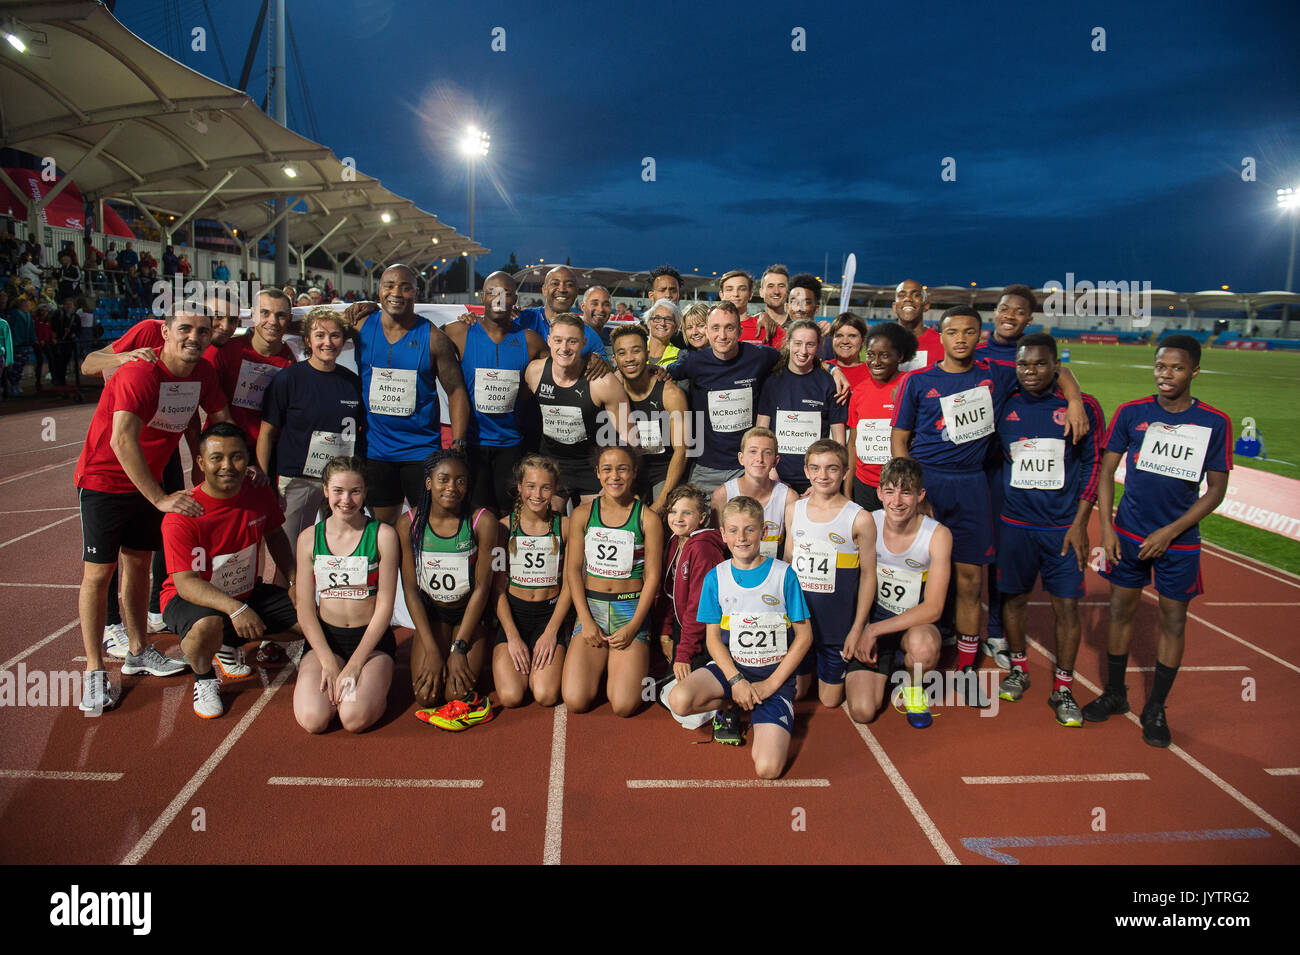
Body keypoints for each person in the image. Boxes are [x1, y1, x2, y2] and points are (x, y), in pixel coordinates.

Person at [892, 306, 1084, 688]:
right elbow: (899, 441)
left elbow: (1051, 369)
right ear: (940, 336)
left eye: (969, 332)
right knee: (912, 573)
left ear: (980, 337)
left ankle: (965, 662)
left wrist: (1074, 398)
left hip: (971, 486)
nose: (960, 339)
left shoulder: (996, 375)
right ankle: (905, 649)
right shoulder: (917, 382)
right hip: (928, 484)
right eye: (952, 332)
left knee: (969, 581)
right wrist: (914, 492)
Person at [73, 308, 234, 713]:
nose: (194, 337)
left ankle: (139, 650)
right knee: (98, 574)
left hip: (147, 483)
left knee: (140, 565)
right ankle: (95, 672)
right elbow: (121, 441)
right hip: (104, 481)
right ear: (164, 332)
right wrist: (160, 497)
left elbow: (216, 419)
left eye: (202, 330)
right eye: (185, 329)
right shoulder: (139, 372)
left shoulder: (203, 374)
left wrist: (230, 463)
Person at [1084, 335, 1232, 747]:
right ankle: (1115, 694)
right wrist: (1108, 527)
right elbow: (1107, 470)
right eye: (1160, 366)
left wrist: (1170, 532)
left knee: (1173, 620)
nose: (1166, 375)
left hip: (1178, 542)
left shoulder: (1215, 422)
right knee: (1119, 612)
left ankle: (1156, 708)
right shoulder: (1132, 413)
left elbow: (1215, 491)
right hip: (1128, 534)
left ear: (1195, 371)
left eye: (1177, 368)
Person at [994, 334, 1105, 727]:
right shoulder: (1005, 401)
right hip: (1014, 524)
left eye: (1040, 364)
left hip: (1062, 528)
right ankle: (1019, 668)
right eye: (1024, 364)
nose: (1031, 371)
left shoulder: (1083, 406)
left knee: (1066, 607)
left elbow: (1093, 465)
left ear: (1056, 365)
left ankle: (1063, 687)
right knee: (1014, 600)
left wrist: (1080, 524)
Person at [160, 423, 301, 719]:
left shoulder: (258, 492)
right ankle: (205, 678)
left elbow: (275, 534)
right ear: (200, 463)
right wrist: (236, 610)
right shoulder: (183, 514)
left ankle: (229, 642)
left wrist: (293, 579)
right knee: (206, 626)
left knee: (315, 616)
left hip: (246, 592)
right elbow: (185, 584)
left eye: (236, 457)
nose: (227, 466)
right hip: (191, 601)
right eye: (217, 458)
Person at [667, 496, 813, 777]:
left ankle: (761, 707)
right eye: (733, 530)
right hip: (731, 670)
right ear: (722, 534)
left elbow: (804, 637)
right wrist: (736, 681)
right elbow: (712, 639)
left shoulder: (784, 575)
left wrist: (770, 685)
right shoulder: (716, 577)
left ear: (764, 532)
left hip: (773, 678)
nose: (741, 537)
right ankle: (734, 703)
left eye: (749, 529)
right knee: (680, 700)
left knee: (768, 769)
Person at [350, 264, 471, 524]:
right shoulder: (360, 325)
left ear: (416, 292)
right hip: (376, 452)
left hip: (421, 453)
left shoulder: (433, 338)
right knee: (384, 529)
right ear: (378, 291)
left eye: (405, 287)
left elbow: (457, 390)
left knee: (426, 529)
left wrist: (458, 442)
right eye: (389, 286)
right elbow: (314, 327)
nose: (397, 293)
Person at [293, 457, 399, 733]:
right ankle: (335, 674)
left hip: (370, 644)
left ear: (365, 492)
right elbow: (304, 608)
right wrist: (328, 662)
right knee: (313, 720)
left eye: (355, 491)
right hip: (327, 642)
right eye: (338, 491)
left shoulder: (383, 535)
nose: (347, 500)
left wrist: (354, 665)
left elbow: (385, 606)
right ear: (326, 490)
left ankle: (377, 686)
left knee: (353, 718)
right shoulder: (308, 538)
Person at [844, 457, 950, 727]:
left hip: (914, 625)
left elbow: (934, 607)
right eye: (890, 491)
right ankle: (890, 667)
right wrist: (861, 627)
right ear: (879, 493)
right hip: (875, 621)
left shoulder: (937, 535)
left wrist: (873, 631)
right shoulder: (868, 523)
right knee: (862, 711)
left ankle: (914, 686)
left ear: (920, 495)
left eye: (906, 492)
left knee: (923, 648)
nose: (897, 501)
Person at [397, 451, 496, 728]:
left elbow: (482, 588)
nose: (452, 487)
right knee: (426, 698)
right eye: (443, 479)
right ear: (428, 482)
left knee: (457, 695)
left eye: (460, 481)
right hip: (434, 614)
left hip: (469, 615)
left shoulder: (481, 522)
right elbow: (410, 589)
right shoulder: (409, 523)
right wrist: (432, 650)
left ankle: (469, 648)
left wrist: (459, 648)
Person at [563, 445, 663, 717]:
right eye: (607, 469)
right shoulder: (583, 514)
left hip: (629, 610)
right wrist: (584, 620)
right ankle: (608, 664)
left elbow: (652, 577)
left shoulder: (648, 518)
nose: (614, 476)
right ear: (597, 473)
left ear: (633, 473)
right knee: (575, 700)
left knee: (624, 705)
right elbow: (573, 570)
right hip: (592, 609)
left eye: (622, 469)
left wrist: (633, 627)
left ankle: (630, 664)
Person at [258, 306, 367, 552]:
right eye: (319, 335)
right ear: (308, 340)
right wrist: (265, 481)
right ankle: (287, 592)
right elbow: (266, 432)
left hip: (341, 484)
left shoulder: (352, 382)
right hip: (298, 481)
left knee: (339, 553)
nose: (327, 342)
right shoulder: (288, 379)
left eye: (335, 336)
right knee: (291, 556)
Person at [442, 271, 546, 513]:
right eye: (492, 292)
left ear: (515, 299)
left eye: (506, 293)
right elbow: (415, 332)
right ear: (482, 297)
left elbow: (560, 371)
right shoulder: (459, 332)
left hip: (511, 445)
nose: (499, 299)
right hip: (471, 443)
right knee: (477, 516)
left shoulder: (530, 340)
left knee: (510, 514)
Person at [784, 440, 876, 709]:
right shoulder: (794, 510)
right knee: (799, 694)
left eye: (831, 468)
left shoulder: (859, 518)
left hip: (837, 626)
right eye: (816, 468)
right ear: (806, 471)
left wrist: (858, 628)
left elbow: (869, 576)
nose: (822, 475)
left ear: (846, 472)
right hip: (800, 622)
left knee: (830, 700)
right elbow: (787, 562)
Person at [664, 301, 779, 495]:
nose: (722, 336)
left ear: (740, 331)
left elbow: (795, 359)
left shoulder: (760, 356)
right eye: (715, 328)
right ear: (707, 331)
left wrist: (832, 370)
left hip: (747, 467)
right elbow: (660, 373)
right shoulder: (694, 362)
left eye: (729, 328)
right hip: (706, 468)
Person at [524, 314, 633, 505]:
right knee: (546, 523)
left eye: (572, 341)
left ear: (583, 343)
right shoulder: (534, 372)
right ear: (549, 340)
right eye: (558, 340)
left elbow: (629, 435)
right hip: (551, 463)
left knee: (592, 524)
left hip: (591, 467)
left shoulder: (603, 382)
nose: (564, 348)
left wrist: (618, 476)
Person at [491, 455, 572, 708]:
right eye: (531, 486)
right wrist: (512, 636)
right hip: (514, 617)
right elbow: (497, 588)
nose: (537, 494)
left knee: (546, 695)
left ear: (555, 489)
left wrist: (551, 633)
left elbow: (570, 584)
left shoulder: (566, 527)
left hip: (550, 617)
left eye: (546, 487)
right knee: (511, 697)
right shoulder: (502, 528)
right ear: (519, 487)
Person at [755, 320, 847, 493]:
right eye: (798, 343)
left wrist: (822, 480)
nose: (803, 351)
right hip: (775, 479)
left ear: (818, 346)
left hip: (817, 482)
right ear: (788, 342)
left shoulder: (829, 383)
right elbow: (761, 432)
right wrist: (771, 472)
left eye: (810, 344)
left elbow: (839, 442)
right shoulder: (772, 382)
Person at [611, 323, 688, 512]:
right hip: (628, 470)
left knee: (663, 518)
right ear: (615, 359)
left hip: (664, 470)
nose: (629, 359)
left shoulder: (671, 393)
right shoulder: (611, 389)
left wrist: (660, 504)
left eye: (635, 351)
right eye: (622, 353)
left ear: (646, 353)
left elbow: (682, 451)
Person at [653, 484, 726, 682]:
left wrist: (684, 653)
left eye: (687, 513)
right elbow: (669, 594)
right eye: (673, 511)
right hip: (683, 626)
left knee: (672, 694)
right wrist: (665, 633)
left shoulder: (703, 549)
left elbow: (699, 607)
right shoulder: (674, 541)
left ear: (702, 518)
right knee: (656, 682)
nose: (678, 518)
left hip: (703, 632)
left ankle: (724, 699)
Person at [846, 322, 915, 511]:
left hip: (899, 486)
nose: (875, 362)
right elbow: (853, 443)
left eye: (884, 355)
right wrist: (847, 489)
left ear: (899, 356)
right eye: (870, 354)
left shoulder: (910, 386)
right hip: (864, 484)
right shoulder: (859, 391)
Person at [711, 427, 790, 560]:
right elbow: (715, 547)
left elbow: (791, 552)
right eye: (753, 451)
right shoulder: (722, 495)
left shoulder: (788, 497)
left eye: (767, 453)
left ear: (775, 461)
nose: (759, 459)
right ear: (741, 458)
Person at [891, 279, 944, 372]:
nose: (908, 299)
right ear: (894, 307)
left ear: (926, 305)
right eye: (902, 295)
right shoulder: (882, 343)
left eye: (916, 295)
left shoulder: (943, 343)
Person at [825, 313, 871, 389]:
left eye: (852, 336)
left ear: (863, 340)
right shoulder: (823, 368)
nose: (845, 341)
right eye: (839, 335)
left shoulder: (873, 374)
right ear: (832, 339)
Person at [753, 264, 790, 347]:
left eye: (781, 286)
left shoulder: (797, 327)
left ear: (787, 292)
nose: (776, 291)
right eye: (770, 286)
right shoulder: (751, 324)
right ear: (761, 292)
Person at [644, 298, 682, 366]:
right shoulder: (636, 352)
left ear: (675, 327)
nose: (662, 323)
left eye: (668, 319)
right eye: (657, 318)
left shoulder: (681, 358)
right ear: (648, 323)